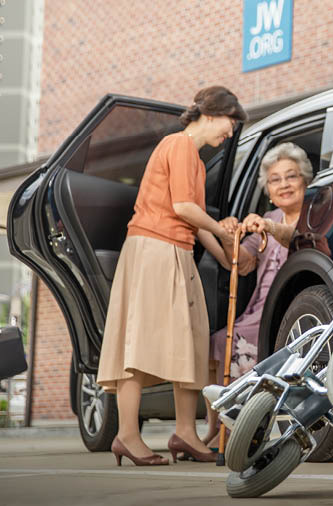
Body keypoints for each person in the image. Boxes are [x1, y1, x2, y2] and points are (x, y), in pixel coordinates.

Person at [96, 86, 247, 465]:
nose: (229, 134)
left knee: (190, 339)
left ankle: (184, 432)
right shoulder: (179, 145)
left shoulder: (193, 159)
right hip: (155, 250)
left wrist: (226, 256)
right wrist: (226, 233)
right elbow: (183, 208)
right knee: (141, 343)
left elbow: (192, 223)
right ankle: (127, 436)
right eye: (230, 124)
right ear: (212, 113)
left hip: (175, 251)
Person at [198, 142, 312, 446]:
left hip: (289, 307)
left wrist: (270, 227)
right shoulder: (269, 216)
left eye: (292, 176)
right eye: (275, 179)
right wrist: (227, 235)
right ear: (268, 188)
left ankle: (249, 425)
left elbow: (299, 239)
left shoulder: (311, 215)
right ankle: (219, 427)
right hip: (258, 309)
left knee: (233, 340)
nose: (284, 184)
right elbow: (242, 265)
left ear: (305, 180)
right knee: (216, 341)